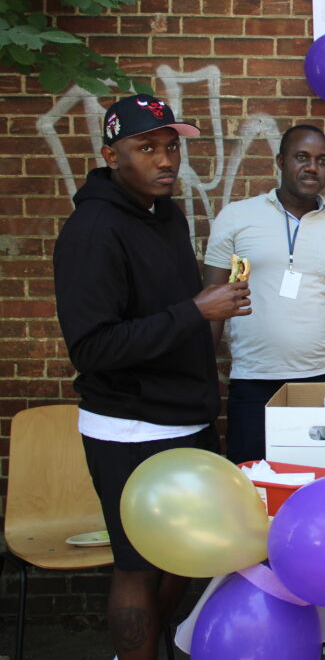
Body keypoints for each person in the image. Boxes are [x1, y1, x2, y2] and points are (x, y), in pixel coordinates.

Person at [53, 93, 250, 660]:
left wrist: (208, 307)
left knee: (186, 554)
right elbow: (92, 347)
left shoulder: (165, 214)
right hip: (128, 428)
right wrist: (196, 311)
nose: (166, 161)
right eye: (147, 148)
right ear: (112, 155)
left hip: (184, 417)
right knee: (138, 564)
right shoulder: (92, 231)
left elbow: (167, 310)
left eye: (171, 147)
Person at [203, 125, 325, 464]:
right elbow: (211, 300)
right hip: (255, 379)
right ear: (281, 161)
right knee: (253, 481)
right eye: (302, 157)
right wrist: (201, 372)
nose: (312, 167)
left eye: (322, 160)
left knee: (324, 477)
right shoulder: (237, 217)